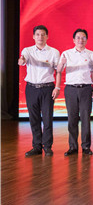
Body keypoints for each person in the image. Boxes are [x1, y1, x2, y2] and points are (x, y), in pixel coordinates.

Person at [19, 25, 60, 156]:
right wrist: (21, 60)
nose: (40, 37)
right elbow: (22, 60)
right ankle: (36, 146)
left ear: (47, 36)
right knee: (34, 118)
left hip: (47, 88)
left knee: (47, 118)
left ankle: (47, 146)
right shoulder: (28, 50)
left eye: (43, 34)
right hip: (31, 88)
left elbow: (58, 70)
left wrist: (57, 87)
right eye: (37, 34)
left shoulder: (54, 52)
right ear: (33, 36)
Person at [55, 28, 93, 156]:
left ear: (87, 40)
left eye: (83, 37)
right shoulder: (66, 54)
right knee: (72, 118)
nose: (81, 40)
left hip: (86, 88)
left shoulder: (91, 54)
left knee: (85, 118)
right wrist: (61, 64)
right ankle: (72, 147)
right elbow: (58, 70)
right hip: (71, 89)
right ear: (73, 40)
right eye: (78, 37)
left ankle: (86, 146)